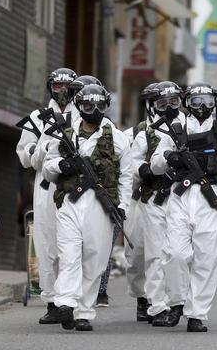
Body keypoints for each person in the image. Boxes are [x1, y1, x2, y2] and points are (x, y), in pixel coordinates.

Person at [150, 83, 217, 332]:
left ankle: (197, 314)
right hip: (181, 197)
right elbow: (155, 164)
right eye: (196, 101)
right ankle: (177, 303)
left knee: (207, 258)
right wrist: (169, 157)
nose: (202, 107)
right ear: (186, 103)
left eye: (207, 101)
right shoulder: (175, 128)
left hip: (212, 198)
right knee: (175, 253)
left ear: (214, 103)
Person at [43, 84, 132, 331]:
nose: (92, 110)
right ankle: (65, 304)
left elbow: (126, 176)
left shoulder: (118, 138)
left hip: (100, 206)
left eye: (98, 106)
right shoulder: (65, 134)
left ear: (105, 106)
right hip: (70, 202)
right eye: (87, 105)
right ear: (79, 106)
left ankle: (83, 311)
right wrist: (63, 166)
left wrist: (123, 207)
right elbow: (48, 167)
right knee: (69, 254)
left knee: (95, 259)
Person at [15, 67, 78, 324]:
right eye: (57, 86)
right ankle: (52, 301)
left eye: (67, 87)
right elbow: (24, 155)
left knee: (73, 244)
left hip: (75, 185)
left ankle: (71, 300)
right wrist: (40, 148)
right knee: (46, 243)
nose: (62, 91)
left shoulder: (81, 115)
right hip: (46, 187)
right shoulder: (38, 117)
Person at [128, 81, 185, 325]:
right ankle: (151, 302)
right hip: (152, 199)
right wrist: (144, 170)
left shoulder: (188, 127)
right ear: (152, 106)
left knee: (178, 253)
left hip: (183, 199)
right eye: (163, 103)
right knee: (145, 255)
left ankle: (173, 303)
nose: (169, 108)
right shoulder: (143, 132)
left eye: (174, 102)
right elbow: (130, 165)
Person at [119, 82, 161, 319]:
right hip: (137, 200)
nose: (162, 107)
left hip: (167, 201)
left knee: (163, 254)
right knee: (135, 256)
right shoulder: (131, 135)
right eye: (157, 102)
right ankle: (141, 297)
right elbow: (123, 167)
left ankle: (160, 301)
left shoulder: (181, 131)